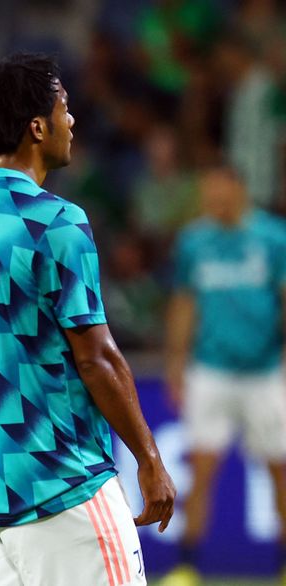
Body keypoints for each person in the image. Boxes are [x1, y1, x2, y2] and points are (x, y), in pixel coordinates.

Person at [0, 52, 176, 586]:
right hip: (59, 478)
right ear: (37, 127)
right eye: (64, 107)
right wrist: (149, 458)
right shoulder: (57, 221)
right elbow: (97, 358)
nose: (73, 121)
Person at [162, 165, 286, 586]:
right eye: (207, 194)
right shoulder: (195, 241)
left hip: (264, 372)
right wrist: (176, 362)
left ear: (238, 190)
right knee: (201, 469)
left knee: (279, 471)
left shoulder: (272, 238)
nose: (212, 202)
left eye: (218, 193)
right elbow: (184, 303)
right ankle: (187, 566)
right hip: (210, 371)